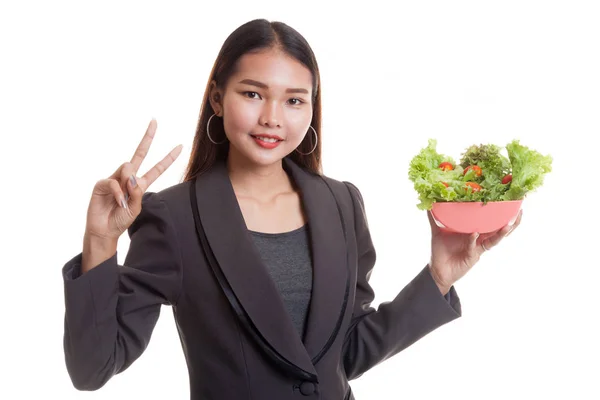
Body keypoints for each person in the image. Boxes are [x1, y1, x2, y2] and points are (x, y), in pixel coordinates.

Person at [61, 18, 522, 400]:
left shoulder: (342, 203)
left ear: (311, 108)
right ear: (218, 99)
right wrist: (100, 241)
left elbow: (348, 354)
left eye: (294, 100)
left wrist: (438, 278)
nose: (273, 118)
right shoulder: (175, 217)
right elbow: (93, 368)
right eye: (253, 94)